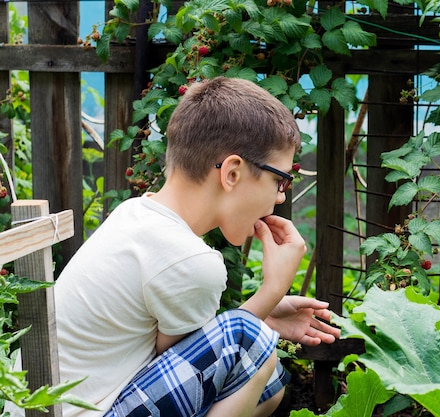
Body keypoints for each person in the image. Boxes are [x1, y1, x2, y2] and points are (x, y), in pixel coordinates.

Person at [54, 76, 341, 417]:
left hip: (60, 407)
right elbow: (181, 369)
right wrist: (272, 291)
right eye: (280, 180)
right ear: (232, 173)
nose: (281, 196)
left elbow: (187, 364)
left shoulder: (137, 213)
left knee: (268, 380)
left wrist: (266, 316)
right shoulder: (189, 259)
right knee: (252, 343)